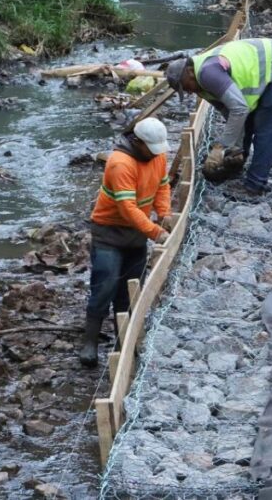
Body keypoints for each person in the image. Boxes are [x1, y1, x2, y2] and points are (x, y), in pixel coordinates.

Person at [79, 118, 172, 367]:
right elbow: (127, 208)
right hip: (109, 233)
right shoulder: (120, 163)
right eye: (150, 149)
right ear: (137, 141)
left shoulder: (157, 156)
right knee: (105, 286)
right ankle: (90, 342)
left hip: (136, 235)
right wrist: (155, 232)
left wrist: (164, 214)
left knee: (130, 289)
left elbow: (162, 186)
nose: (155, 154)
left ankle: (124, 342)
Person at [165, 38, 272, 195]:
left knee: (265, 129)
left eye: (185, 86)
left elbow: (240, 109)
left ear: (189, 72)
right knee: (248, 122)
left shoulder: (208, 74)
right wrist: (236, 147)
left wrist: (221, 147)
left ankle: (255, 185)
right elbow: (230, 113)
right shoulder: (199, 86)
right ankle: (237, 165)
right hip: (261, 66)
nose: (187, 91)